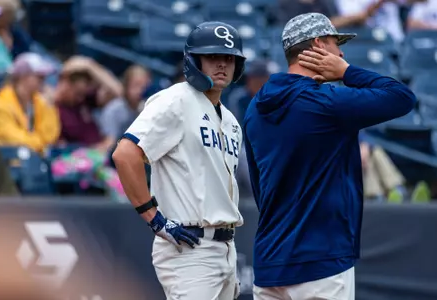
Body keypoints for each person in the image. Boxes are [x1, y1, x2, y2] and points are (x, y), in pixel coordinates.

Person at [243, 13, 416, 300]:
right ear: (320, 45)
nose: (342, 52)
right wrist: (347, 71)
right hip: (320, 263)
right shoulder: (326, 103)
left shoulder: (253, 109)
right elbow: (402, 97)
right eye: (337, 44)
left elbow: (261, 189)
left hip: (269, 263)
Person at [112, 21, 246, 300]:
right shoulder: (175, 99)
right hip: (190, 247)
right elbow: (125, 154)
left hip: (226, 248)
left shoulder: (232, 121)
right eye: (212, 57)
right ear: (194, 61)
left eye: (229, 58)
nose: (222, 64)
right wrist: (154, 218)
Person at [0, 52, 60, 154]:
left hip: (32, 162)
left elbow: (50, 136)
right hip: (6, 163)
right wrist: (41, 144)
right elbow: (16, 141)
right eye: (39, 76)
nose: (43, 80)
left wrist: (50, 106)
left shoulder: (39, 101)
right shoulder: (2, 105)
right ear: (23, 77)